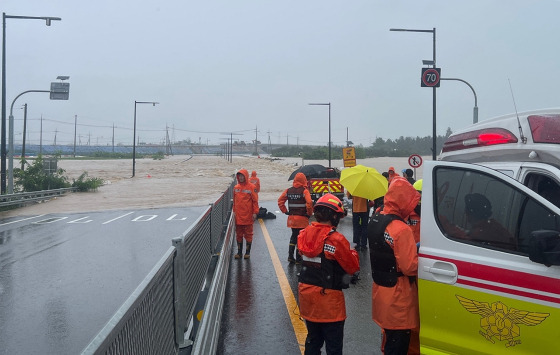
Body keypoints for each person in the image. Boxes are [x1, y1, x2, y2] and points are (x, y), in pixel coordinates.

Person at [297, 193, 360, 354]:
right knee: (333, 347)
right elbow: (352, 267)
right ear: (334, 216)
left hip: (307, 298)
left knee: (313, 341)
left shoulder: (303, 234)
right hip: (329, 303)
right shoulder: (336, 240)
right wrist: (352, 253)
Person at [367, 177, 420, 355]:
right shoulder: (401, 229)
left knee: (389, 341)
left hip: (381, 292)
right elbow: (410, 267)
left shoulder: (376, 220)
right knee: (398, 346)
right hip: (399, 297)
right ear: (404, 200)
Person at [278, 172, 313, 264]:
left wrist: (285, 211)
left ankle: (290, 256)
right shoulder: (305, 191)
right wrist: (309, 213)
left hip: (292, 219)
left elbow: (280, 201)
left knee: (294, 236)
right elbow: (309, 203)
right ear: (304, 180)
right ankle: (298, 258)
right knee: (301, 238)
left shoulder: (288, 190)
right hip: (302, 219)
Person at [233, 169, 259, 259]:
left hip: (248, 215)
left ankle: (247, 252)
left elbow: (255, 201)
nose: (240, 177)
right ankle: (239, 252)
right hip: (238, 216)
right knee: (239, 234)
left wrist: (255, 212)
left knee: (248, 233)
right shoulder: (236, 188)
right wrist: (234, 212)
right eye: (239, 176)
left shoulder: (251, 187)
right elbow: (234, 202)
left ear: (246, 176)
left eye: (242, 176)